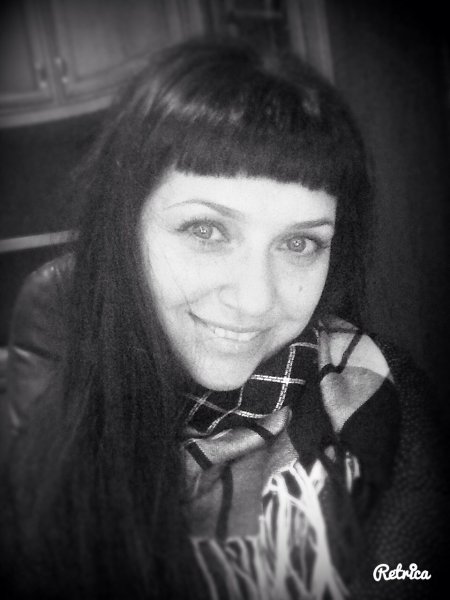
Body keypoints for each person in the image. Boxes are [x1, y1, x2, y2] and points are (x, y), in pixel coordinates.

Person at [1, 37, 447, 600]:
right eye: (206, 230)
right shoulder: (61, 432)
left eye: (301, 243)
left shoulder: (385, 402)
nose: (256, 300)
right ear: (125, 231)